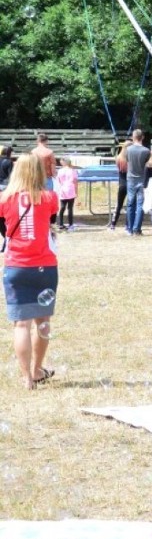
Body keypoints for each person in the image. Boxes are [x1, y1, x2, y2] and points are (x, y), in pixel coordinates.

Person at [0, 153, 59, 390]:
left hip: (16, 264)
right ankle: (37, 370)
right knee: (42, 321)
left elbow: (4, 228)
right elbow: (51, 222)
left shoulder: (4, 198)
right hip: (44, 265)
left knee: (20, 324)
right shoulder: (49, 197)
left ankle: (26, 378)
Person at [124, 129, 150, 236]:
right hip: (142, 179)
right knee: (140, 204)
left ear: (133, 137)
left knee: (130, 204)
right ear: (142, 137)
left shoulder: (128, 150)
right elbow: (148, 165)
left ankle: (130, 228)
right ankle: (137, 229)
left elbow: (127, 161)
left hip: (130, 179)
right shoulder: (146, 151)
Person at [108, 139, 130, 231]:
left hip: (121, 183)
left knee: (119, 205)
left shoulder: (119, 158)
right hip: (130, 182)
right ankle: (127, 225)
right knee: (130, 205)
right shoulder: (130, 159)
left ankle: (113, 224)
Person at [55, 158, 79, 231]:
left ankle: (61, 224)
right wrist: (76, 191)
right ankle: (70, 224)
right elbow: (75, 182)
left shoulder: (60, 171)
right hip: (71, 189)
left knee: (62, 208)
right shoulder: (73, 171)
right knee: (70, 208)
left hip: (62, 190)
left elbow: (58, 181)